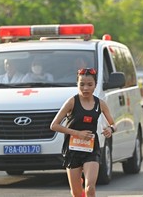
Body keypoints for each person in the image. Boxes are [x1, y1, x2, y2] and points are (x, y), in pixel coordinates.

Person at [50, 68, 115, 197]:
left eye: (90, 85)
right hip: (72, 150)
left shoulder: (100, 104)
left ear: (95, 85)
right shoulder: (71, 102)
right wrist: (77, 133)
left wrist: (110, 129)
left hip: (91, 149)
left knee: (90, 188)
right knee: (76, 193)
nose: (85, 88)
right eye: (82, 84)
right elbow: (54, 125)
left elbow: (113, 123)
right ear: (77, 84)